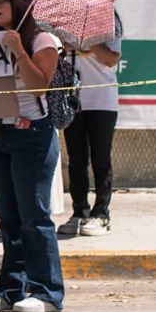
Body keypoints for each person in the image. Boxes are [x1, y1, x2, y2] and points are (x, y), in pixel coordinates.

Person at [0, 0, 65, 312]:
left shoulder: (42, 40)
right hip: (0, 133)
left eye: (3, 2)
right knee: (9, 219)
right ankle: (12, 288)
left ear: (20, 6)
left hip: (33, 136)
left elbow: (40, 83)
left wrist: (19, 51)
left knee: (34, 217)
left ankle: (47, 292)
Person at [60, 14, 122, 237]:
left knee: (101, 159)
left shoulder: (109, 18)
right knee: (76, 159)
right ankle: (79, 212)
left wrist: (85, 39)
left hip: (101, 99)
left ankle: (101, 213)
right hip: (72, 98)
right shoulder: (64, 17)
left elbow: (111, 58)